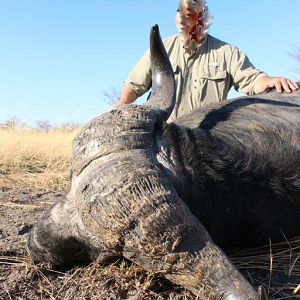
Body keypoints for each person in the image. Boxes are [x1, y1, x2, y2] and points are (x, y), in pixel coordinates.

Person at [115, 0, 299, 122]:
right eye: (181, 16)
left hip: (206, 138)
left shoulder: (227, 52)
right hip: (166, 135)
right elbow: (134, 86)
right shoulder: (161, 48)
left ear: (203, 20)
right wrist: (117, 113)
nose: (184, 23)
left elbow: (252, 80)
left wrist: (269, 81)